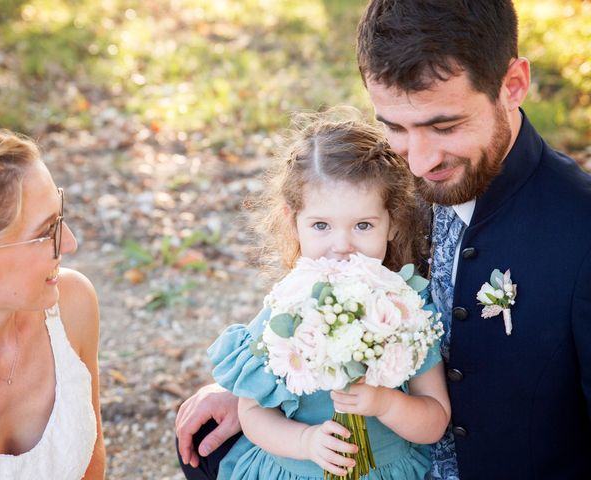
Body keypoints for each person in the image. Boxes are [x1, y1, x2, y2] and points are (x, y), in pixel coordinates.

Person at [178, 1, 591, 478]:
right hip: (370, 449)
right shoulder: (387, 186)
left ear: (513, 85)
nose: (417, 163)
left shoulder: (579, 231)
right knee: (205, 446)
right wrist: (257, 388)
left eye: (444, 126)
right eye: (395, 127)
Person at [181, 109, 450, 479]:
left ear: (392, 223)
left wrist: (385, 403)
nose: (342, 245)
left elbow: (435, 419)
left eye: (363, 225)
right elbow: (254, 413)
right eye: (321, 225)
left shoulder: (406, 309)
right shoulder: (287, 305)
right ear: (295, 223)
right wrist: (306, 441)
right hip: (297, 468)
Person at [0, 128, 105, 479]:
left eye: (59, 217)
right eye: (43, 233)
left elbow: (92, 463)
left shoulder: (72, 306)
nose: (70, 244)